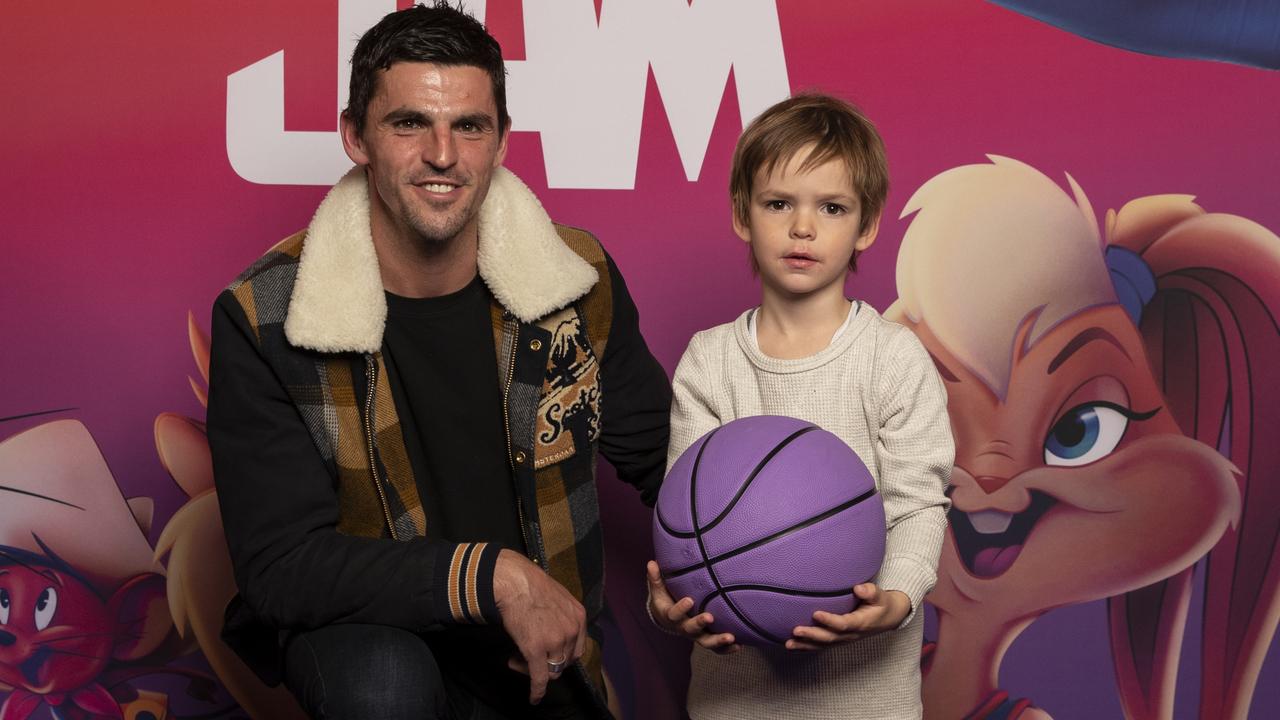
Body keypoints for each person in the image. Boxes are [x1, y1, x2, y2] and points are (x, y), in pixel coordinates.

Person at [206, 3, 671, 719]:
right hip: (380, 648)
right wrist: (489, 576)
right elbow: (280, 567)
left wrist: (736, 574)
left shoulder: (576, 278)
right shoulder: (264, 314)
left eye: (470, 126)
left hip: (542, 652)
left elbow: (667, 461)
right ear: (355, 136)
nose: (444, 154)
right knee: (382, 685)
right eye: (409, 123)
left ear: (502, 141)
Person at [645, 94, 954, 719]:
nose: (803, 228)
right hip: (734, 699)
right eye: (779, 203)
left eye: (831, 207)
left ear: (866, 226)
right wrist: (671, 602)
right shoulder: (710, 361)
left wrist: (894, 599)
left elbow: (918, 504)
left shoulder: (893, 359)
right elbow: (689, 522)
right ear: (742, 213)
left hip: (867, 699)